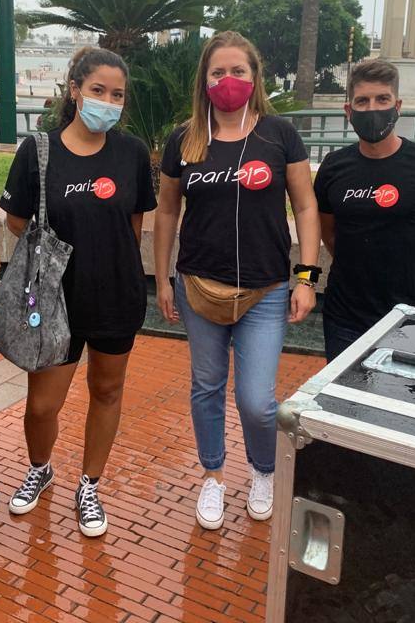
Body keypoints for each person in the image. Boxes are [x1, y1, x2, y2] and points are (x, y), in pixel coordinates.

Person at [153, 31, 321, 531]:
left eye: (238, 71)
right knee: (206, 386)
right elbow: (165, 211)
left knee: (257, 400)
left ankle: (263, 470)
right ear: (204, 81)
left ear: (255, 77)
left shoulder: (278, 134)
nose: (229, 81)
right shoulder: (184, 139)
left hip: (266, 291)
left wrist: (306, 277)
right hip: (198, 287)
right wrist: (161, 278)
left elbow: (306, 205)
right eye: (218, 72)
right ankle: (212, 475)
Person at [0, 47, 156, 538]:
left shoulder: (131, 153)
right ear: (74, 90)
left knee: (106, 391)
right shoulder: (39, 150)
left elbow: (134, 223)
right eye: (97, 90)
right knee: (42, 405)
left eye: (117, 95)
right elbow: (16, 221)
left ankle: (90, 484)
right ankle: (41, 468)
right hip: (52, 303)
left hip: (116, 296)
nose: (107, 102)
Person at [314, 59, 415, 362]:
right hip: (344, 316)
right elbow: (328, 233)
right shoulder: (334, 167)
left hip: (409, 318)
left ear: (397, 106)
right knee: (343, 403)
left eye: (382, 99)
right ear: (349, 111)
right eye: (363, 101)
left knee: (400, 403)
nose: (373, 108)